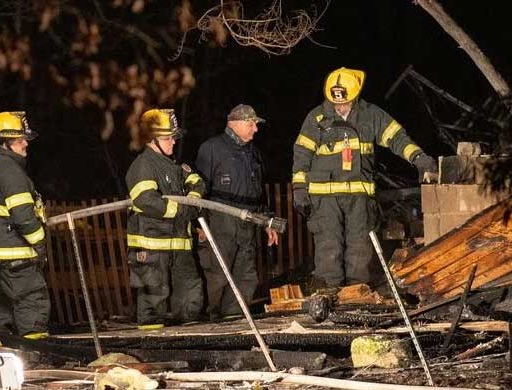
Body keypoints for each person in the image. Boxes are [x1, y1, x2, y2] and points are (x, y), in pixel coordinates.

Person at [292, 67, 437, 288]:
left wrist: (419, 158)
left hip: (359, 198)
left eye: (345, 102)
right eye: (335, 102)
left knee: (360, 248)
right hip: (325, 198)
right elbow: (302, 153)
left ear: (355, 96)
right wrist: (299, 188)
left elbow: (397, 138)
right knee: (328, 247)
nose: (339, 107)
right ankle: (328, 296)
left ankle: (355, 294)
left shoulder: (371, 115)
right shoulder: (316, 118)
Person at [0, 111, 50, 352]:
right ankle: (37, 360)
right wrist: (40, 243)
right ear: (4, 142)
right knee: (33, 303)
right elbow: (24, 218)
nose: (26, 143)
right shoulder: (10, 171)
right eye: (19, 139)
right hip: (13, 256)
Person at [195, 104, 278, 321]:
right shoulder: (211, 149)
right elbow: (197, 189)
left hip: (248, 222)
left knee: (246, 275)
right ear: (235, 124)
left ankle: (234, 318)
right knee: (218, 275)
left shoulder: (253, 153)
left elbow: (259, 191)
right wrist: (197, 223)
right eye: (251, 124)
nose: (255, 130)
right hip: (220, 221)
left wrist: (268, 221)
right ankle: (212, 319)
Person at [125, 108, 205, 329]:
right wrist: (182, 210)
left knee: (191, 296)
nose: (173, 143)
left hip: (179, 245)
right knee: (153, 301)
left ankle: (192, 340)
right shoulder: (143, 166)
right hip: (151, 249)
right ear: (151, 140)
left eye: (173, 137)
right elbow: (146, 200)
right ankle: (152, 345)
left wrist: (192, 199)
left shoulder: (174, 165)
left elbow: (197, 183)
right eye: (167, 138)